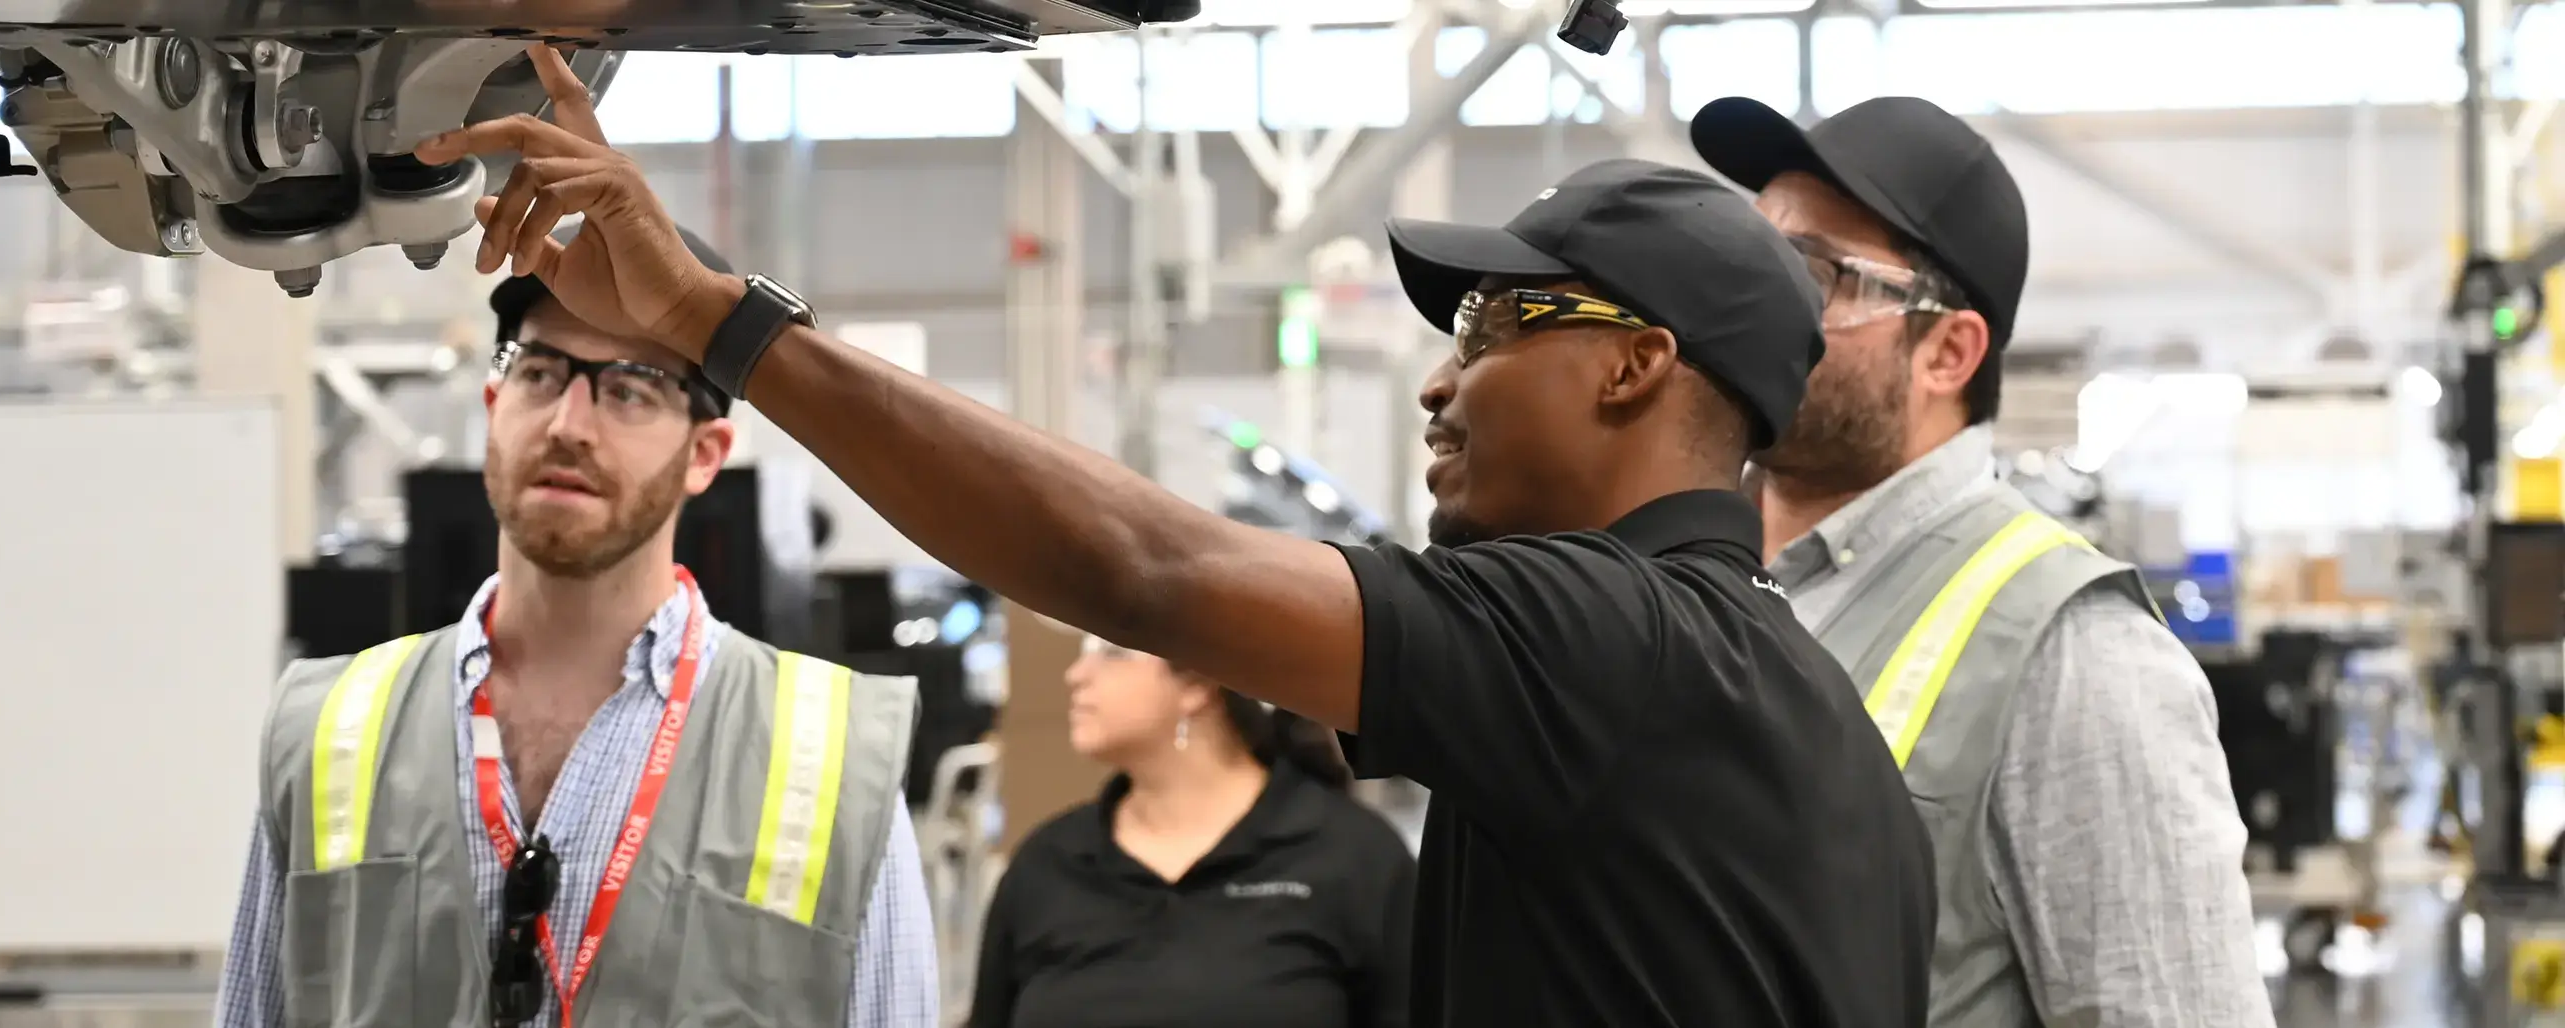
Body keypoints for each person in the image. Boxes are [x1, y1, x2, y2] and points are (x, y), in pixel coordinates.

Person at [415, 45, 1936, 1027]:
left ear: (1633, 364)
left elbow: (1140, 571)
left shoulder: (1619, 643)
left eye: (1488, 322)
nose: (1438, 375)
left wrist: (707, 315)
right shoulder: (1796, 715)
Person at [208, 183, 940, 1027]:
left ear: (705, 454)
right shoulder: (328, 727)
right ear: (494, 407)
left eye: (628, 388)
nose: (569, 423)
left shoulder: (834, 761)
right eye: (542, 372)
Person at [1690, 95, 2271, 1027]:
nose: (1749, 304)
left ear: (1947, 352)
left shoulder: (2074, 655)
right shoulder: (1698, 584)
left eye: (1811, 273)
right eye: (1751, 259)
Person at [968, 635, 1414, 1028]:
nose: (1077, 674)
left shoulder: (1354, 857)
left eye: (1112, 652)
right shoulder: (1047, 863)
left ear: (1197, 683)